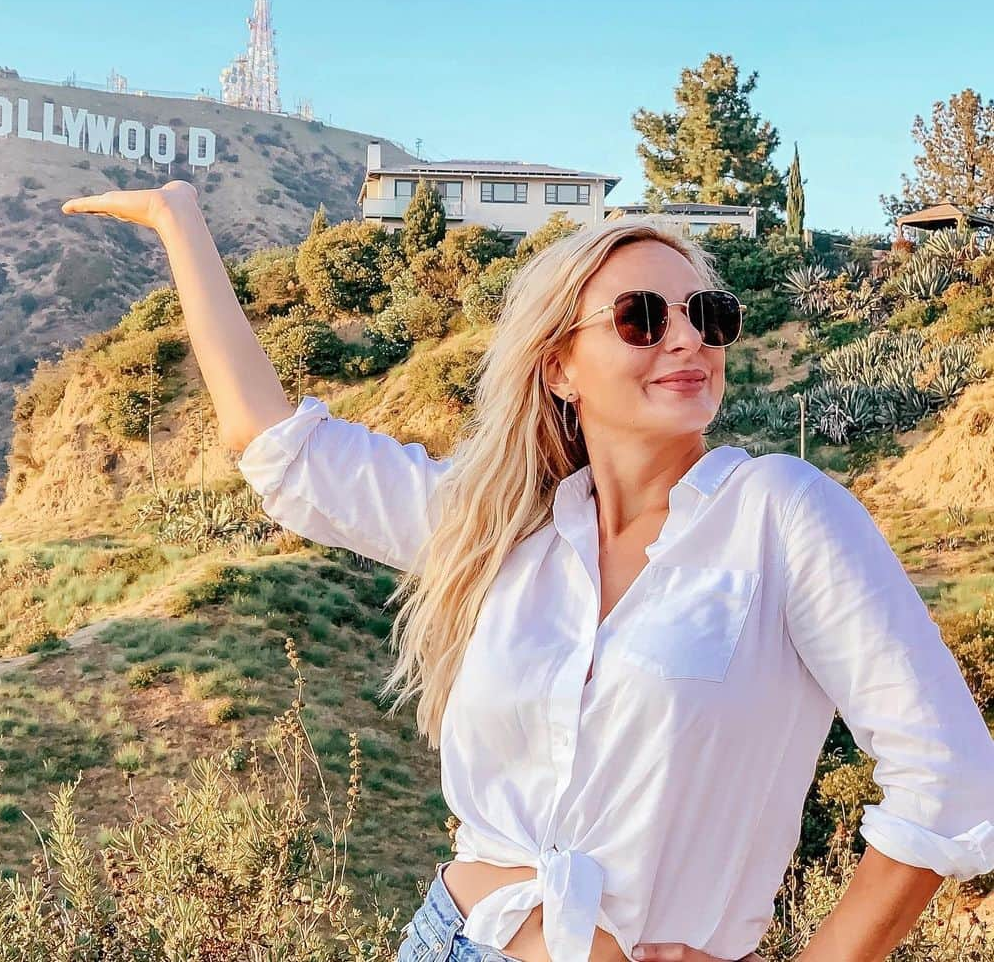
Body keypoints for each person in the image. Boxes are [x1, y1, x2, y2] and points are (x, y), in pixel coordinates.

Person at [61, 180, 994, 962]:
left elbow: (948, 774)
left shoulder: (781, 515)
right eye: (640, 317)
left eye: (707, 315)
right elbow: (278, 454)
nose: (686, 339)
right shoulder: (502, 528)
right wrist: (182, 222)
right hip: (450, 936)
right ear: (560, 366)